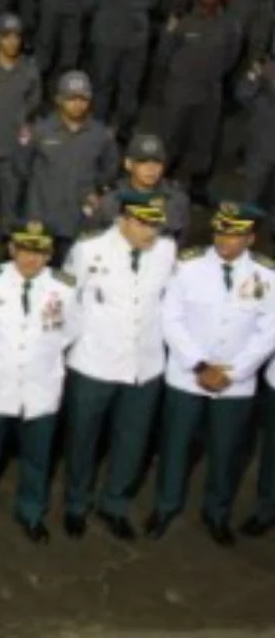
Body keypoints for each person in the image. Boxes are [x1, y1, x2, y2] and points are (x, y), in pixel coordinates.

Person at [152, 202, 275, 544]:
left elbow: (269, 331)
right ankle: (165, 506)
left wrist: (232, 372)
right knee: (175, 447)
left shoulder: (267, 275)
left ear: (250, 238)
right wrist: (200, 365)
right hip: (187, 375)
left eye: (235, 235)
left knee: (226, 452)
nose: (225, 240)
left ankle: (216, 513)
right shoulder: (187, 266)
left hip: (236, 383)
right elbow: (171, 318)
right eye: (221, 231)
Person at [0, 221, 80, 544]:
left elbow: (70, 332)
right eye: (25, 249)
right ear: (12, 249)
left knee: (37, 459)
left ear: (50, 254)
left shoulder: (65, 287)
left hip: (40, 387)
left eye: (39, 252)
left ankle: (31, 512)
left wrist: (40, 357)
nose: (31, 258)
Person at [62, 189, 176, 540]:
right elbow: (67, 302)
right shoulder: (88, 249)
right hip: (94, 361)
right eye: (144, 224)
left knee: (132, 440)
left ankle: (115, 504)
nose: (151, 233)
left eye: (156, 225)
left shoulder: (167, 251)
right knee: (82, 438)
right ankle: (76, 504)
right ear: (124, 219)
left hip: (144, 364)